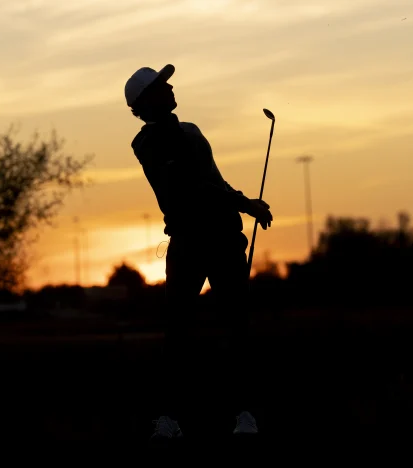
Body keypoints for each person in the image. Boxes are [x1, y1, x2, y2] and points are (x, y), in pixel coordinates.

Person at [125, 64, 273, 441]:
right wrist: (245, 204)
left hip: (224, 240)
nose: (170, 87)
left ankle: (245, 415)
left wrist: (238, 205)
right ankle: (170, 419)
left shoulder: (191, 131)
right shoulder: (147, 143)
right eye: (161, 85)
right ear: (144, 103)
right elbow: (193, 186)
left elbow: (214, 180)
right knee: (178, 334)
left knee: (237, 328)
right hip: (189, 244)